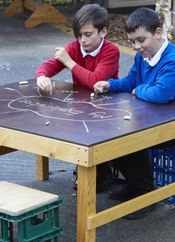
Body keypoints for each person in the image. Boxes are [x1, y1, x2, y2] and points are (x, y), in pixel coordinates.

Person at [93, 7, 175, 219]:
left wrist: (138, 90)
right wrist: (110, 85)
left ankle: (145, 194)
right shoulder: (143, 56)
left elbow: (161, 94)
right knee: (112, 135)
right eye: (132, 42)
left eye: (141, 40)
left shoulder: (173, 60)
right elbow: (131, 80)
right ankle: (135, 186)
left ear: (158, 33)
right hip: (151, 118)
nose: (137, 47)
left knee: (131, 140)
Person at [36, 3, 120, 192]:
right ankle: (86, 168)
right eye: (79, 34)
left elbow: (96, 80)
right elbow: (48, 66)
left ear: (103, 32)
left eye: (88, 34)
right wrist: (42, 76)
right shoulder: (73, 48)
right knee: (75, 131)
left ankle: (104, 171)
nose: (82, 40)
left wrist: (68, 61)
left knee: (98, 136)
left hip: (107, 103)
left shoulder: (111, 51)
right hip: (82, 103)